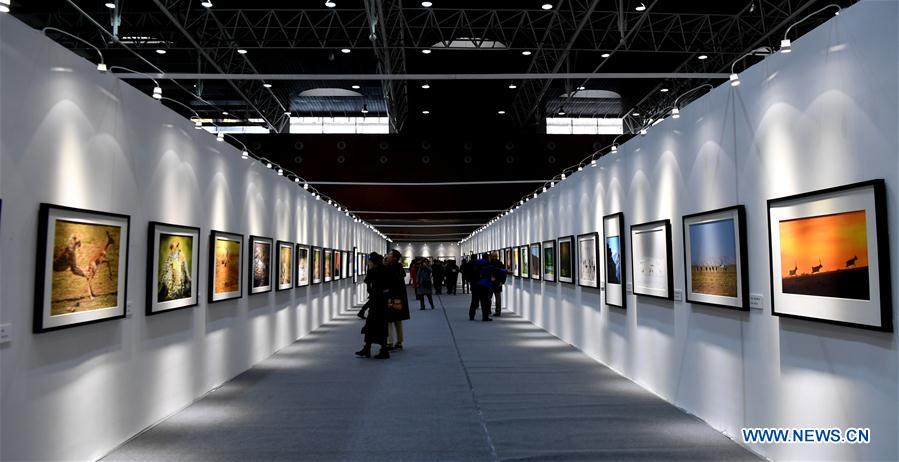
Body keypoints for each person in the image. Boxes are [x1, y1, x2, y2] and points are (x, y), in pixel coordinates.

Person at [355, 253, 391, 359]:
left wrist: (370, 271)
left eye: (370, 261)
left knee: (375, 325)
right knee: (375, 325)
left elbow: (369, 282)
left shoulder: (376, 271)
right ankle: (368, 348)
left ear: (374, 262)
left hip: (378, 302)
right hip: (380, 301)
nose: (368, 263)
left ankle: (382, 350)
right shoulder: (383, 270)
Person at [385, 250, 411, 350]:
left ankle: (390, 342)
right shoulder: (398, 267)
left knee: (389, 320)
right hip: (398, 297)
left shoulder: (392, 268)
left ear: (394, 258)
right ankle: (399, 342)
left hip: (392, 297)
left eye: (389, 255)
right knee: (397, 320)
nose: (387, 256)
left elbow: (391, 282)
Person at [467, 256, 492, 321]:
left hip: (475, 287)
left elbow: (470, 278)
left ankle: (471, 316)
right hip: (483, 287)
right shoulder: (484, 269)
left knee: (474, 302)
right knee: (484, 303)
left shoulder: (473, 269)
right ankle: (485, 317)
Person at [488, 252, 508, 317]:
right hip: (496, 283)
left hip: (492, 283)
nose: (494, 257)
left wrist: (501, 282)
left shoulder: (489, 264)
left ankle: (489, 310)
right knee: (496, 298)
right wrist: (502, 282)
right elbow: (504, 273)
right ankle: (497, 311)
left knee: (490, 298)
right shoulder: (500, 264)